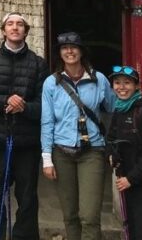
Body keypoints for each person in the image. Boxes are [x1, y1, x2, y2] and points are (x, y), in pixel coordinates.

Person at [0, 12, 50, 240]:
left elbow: (45, 104)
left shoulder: (38, 64)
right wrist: (6, 100)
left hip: (26, 142)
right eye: (10, 24)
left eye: (19, 24)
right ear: (3, 30)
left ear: (26, 30)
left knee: (27, 198)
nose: (15, 28)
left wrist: (24, 107)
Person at [40, 32, 114, 240]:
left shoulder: (98, 80)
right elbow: (47, 121)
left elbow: (113, 108)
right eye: (65, 48)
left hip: (92, 151)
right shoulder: (51, 83)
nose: (70, 51)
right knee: (70, 214)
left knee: (90, 215)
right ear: (60, 53)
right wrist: (47, 157)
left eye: (74, 47)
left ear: (81, 51)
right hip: (61, 152)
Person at [106, 66, 142, 240]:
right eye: (117, 83)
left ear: (137, 86)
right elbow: (111, 139)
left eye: (127, 83)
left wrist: (131, 179)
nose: (121, 87)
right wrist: (111, 155)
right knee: (131, 230)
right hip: (126, 181)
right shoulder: (120, 110)